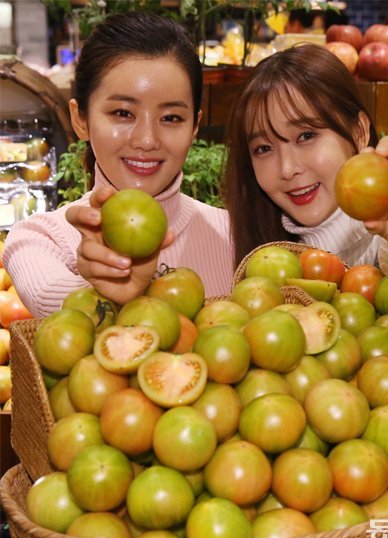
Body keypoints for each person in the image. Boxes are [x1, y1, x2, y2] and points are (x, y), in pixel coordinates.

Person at [3, 13, 234, 318]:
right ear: (80, 119)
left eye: (171, 117)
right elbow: (53, 303)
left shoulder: (235, 234)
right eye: (123, 113)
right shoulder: (40, 239)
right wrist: (105, 291)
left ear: (194, 126)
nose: (147, 140)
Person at [222, 43, 388, 286]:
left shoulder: (387, 241)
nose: (287, 169)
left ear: (359, 133)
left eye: (306, 136)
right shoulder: (251, 250)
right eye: (264, 148)